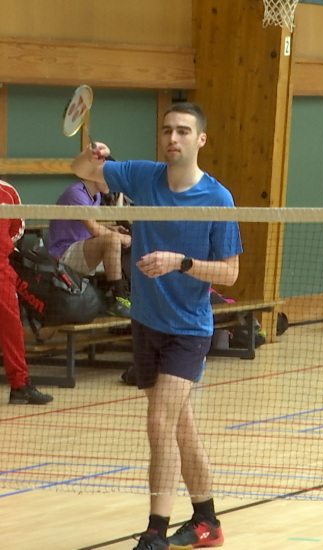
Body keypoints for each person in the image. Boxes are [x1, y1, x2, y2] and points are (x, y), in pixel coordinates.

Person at [71, 102, 243, 550]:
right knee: (181, 426)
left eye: (183, 131)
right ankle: (208, 522)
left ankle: (155, 530)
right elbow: (78, 167)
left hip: (188, 328)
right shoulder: (144, 176)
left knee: (159, 422)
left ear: (200, 139)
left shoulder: (217, 199)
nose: (173, 138)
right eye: (167, 130)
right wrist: (95, 156)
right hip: (146, 322)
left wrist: (180, 263)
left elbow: (229, 273)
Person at [48, 171, 132, 317]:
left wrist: (112, 229)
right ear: (96, 176)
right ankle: (119, 299)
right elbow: (93, 229)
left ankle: (117, 297)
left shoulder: (96, 196)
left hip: (82, 249)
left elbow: (88, 227)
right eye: (110, 179)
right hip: (63, 255)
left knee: (119, 242)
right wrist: (119, 237)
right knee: (113, 240)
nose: (113, 185)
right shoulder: (76, 193)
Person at [0, 179, 54, 405]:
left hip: (1, 270)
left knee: (12, 328)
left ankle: (20, 386)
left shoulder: (7, 192)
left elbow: (16, 229)